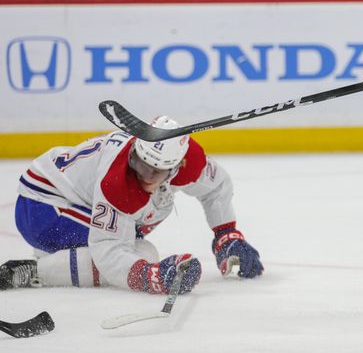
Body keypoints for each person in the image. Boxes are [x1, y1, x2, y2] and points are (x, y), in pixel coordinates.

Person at [0, 116, 264, 294]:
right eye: (141, 165)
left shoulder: (189, 163)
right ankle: (35, 271)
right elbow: (109, 251)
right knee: (143, 254)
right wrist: (150, 277)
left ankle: (57, 260)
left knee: (135, 245)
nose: (145, 177)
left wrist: (225, 234)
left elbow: (217, 187)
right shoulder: (118, 180)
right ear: (135, 151)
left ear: (177, 166)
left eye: (156, 172)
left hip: (69, 201)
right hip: (44, 208)